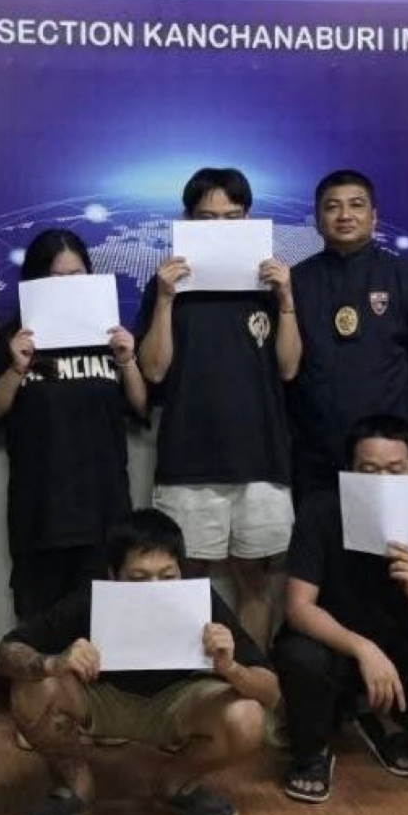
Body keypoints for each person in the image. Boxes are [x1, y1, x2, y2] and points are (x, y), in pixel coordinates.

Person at [0, 507, 280, 815]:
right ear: (113, 576)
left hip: (178, 702)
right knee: (31, 688)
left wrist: (231, 668)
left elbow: (271, 692)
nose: (155, 589)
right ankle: (76, 786)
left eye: (168, 577)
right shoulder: (92, 599)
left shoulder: (201, 602)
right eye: (139, 579)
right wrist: (52, 662)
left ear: (181, 573)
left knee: (247, 718)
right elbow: (4, 653)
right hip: (100, 697)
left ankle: (175, 783)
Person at [274, 417, 408, 802]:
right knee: (299, 655)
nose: (382, 482)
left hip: (396, 648)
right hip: (331, 646)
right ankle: (312, 750)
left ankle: (390, 725)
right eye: (369, 471)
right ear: (349, 473)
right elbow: (299, 608)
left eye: (395, 470)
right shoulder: (320, 513)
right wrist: (364, 649)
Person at [136, 166, 299, 650]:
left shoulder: (269, 284)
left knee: (256, 582)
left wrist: (286, 299)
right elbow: (154, 370)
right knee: (185, 581)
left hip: (261, 460)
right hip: (188, 460)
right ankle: (188, 683)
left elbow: (289, 367)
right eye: (208, 217)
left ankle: (253, 683)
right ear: (188, 220)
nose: (222, 226)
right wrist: (165, 299)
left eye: (233, 216)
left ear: (249, 218)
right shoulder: (168, 286)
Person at [0, 228, 147, 620]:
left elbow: (140, 407)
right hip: (41, 512)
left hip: (104, 508)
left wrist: (127, 360)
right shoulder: (14, 339)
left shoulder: (109, 336)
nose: (67, 286)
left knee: (105, 625)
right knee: (40, 627)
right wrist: (17, 367)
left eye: (76, 275)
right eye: (55, 278)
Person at [288, 169, 408, 499]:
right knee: (316, 532)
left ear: (374, 216)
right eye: (332, 207)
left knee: (391, 536)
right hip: (312, 454)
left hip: (388, 456)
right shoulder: (295, 282)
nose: (344, 215)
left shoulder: (405, 277)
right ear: (317, 219)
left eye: (356, 205)